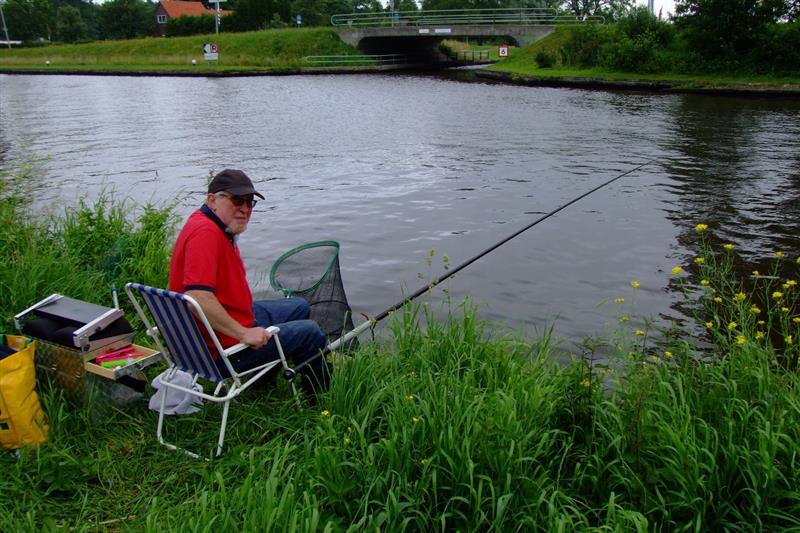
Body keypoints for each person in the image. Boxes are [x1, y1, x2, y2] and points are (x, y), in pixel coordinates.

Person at [169, 169, 330, 397]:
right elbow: (197, 297)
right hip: (221, 350)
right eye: (237, 200)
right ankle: (321, 401)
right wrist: (244, 333)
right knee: (310, 332)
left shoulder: (208, 223)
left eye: (249, 202)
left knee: (299, 306)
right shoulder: (206, 233)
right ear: (212, 200)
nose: (245, 209)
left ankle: (261, 383)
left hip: (218, 328)